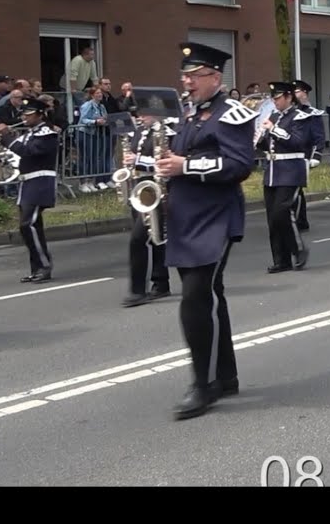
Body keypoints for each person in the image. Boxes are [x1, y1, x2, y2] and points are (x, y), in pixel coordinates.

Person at [157, 42, 258, 420]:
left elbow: (239, 165)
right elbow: (176, 158)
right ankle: (224, 375)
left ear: (215, 77)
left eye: (194, 76)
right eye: (184, 76)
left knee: (196, 296)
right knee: (209, 293)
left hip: (214, 215)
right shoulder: (186, 114)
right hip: (184, 215)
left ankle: (202, 385)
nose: (186, 82)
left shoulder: (231, 114)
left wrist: (186, 166)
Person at [120, 101, 173, 308]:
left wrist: (138, 159)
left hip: (157, 187)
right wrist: (129, 161)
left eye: (144, 113)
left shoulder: (167, 133)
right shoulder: (140, 132)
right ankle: (161, 283)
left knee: (138, 239)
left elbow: (164, 161)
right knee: (155, 237)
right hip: (140, 188)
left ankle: (137, 290)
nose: (140, 117)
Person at [258, 81, 312, 273]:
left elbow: (298, 142)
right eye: (273, 98)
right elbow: (268, 145)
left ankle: (298, 249)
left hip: (290, 170)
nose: (275, 102)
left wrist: (273, 129)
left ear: (289, 97)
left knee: (282, 212)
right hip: (273, 170)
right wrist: (259, 139)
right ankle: (281, 260)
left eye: (278, 98)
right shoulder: (273, 116)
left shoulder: (300, 117)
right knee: (272, 218)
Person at [6, 96, 59, 283]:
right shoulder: (29, 133)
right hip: (27, 183)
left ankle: (44, 265)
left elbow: (30, 152)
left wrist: (7, 137)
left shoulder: (47, 133)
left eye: (28, 114)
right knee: (33, 227)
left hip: (40, 183)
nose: (25, 117)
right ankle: (37, 267)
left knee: (27, 225)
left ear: (40, 114)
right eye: (23, 114)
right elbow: (16, 153)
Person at [292, 80, 325, 232]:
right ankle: (294, 219)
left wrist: (316, 157)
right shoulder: (288, 112)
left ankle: (300, 221)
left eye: (297, 91)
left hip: (302, 155)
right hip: (286, 155)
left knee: (296, 189)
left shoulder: (311, 114)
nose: (294, 94)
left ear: (304, 93)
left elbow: (318, 137)